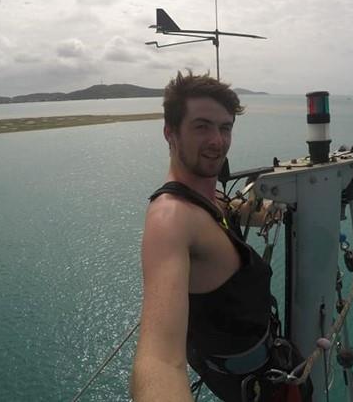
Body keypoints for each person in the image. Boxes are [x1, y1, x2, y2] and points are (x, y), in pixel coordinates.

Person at [130, 71, 310, 402]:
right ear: (170, 133)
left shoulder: (210, 199)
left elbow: (226, 212)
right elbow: (160, 360)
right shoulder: (171, 218)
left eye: (225, 127)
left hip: (261, 363)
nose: (217, 140)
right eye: (202, 126)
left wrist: (265, 209)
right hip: (252, 386)